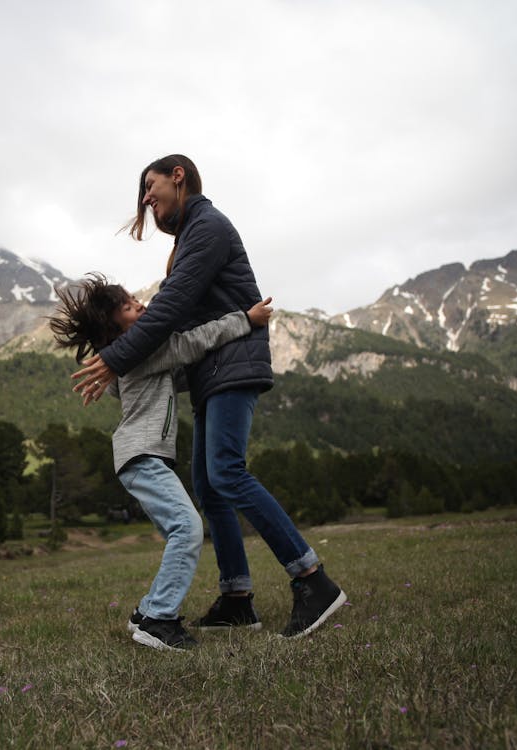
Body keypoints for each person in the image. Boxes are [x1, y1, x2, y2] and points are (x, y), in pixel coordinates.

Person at [71, 154, 346, 638]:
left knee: (225, 472)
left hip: (232, 359)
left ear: (179, 176)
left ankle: (311, 579)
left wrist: (116, 358)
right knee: (207, 483)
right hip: (212, 370)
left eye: (151, 187)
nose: (147, 200)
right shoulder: (187, 238)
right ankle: (237, 597)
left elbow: (171, 313)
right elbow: (171, 328)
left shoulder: (208, 227)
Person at [49, 273, 273, 651]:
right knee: (187, 528)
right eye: (127, 306)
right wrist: (245, 321)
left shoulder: (137, 358)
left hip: (140, 458)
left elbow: (177, 371)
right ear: (114, 329)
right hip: (142, 457)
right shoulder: (143, 352)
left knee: (181, 528)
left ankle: (147, 612)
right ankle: (159, 620)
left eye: (133, 298)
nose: (138, 304)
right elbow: (191, 344)